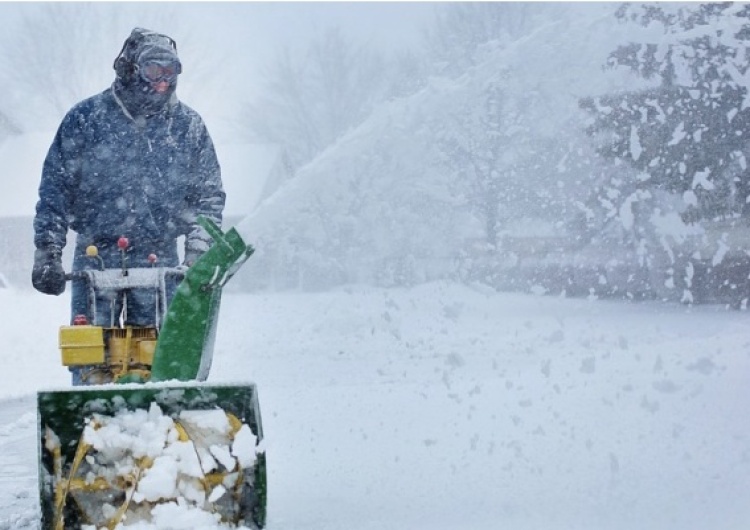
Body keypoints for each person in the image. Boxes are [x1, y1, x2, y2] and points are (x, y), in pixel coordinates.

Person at [31, 28, 225, 381]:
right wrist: (47, 250)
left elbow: (208, 197)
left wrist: (198, 253)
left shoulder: (187, 127)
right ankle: (92, 414)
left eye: (171, 73)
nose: (163, 82)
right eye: (154, 71)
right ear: (130, 69)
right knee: (91, 357)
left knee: (160, 358)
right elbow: (54, 189)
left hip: (160, 256)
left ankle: (156, 423)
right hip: (94, 253)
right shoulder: (86, 119)